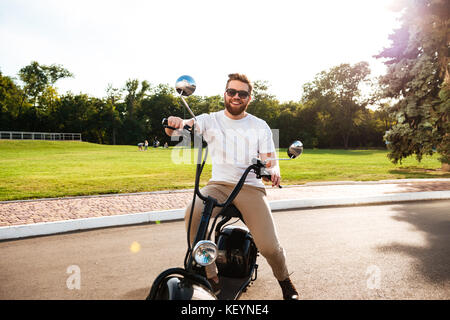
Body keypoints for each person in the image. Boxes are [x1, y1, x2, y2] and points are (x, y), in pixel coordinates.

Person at [164, 73, 299, 300]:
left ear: (249, 98)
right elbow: (180, 130)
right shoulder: (209, 119)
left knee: (268, 246)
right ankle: (210, 274)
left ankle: (285, 281)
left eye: (242, 93)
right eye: (232, 92)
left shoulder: (260, 126)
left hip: (250, 187)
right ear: (225, 94)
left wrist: (273, 171)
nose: (236, 97)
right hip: (218, 184)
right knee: (193, 213)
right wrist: (173, 123)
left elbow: (270, 162)